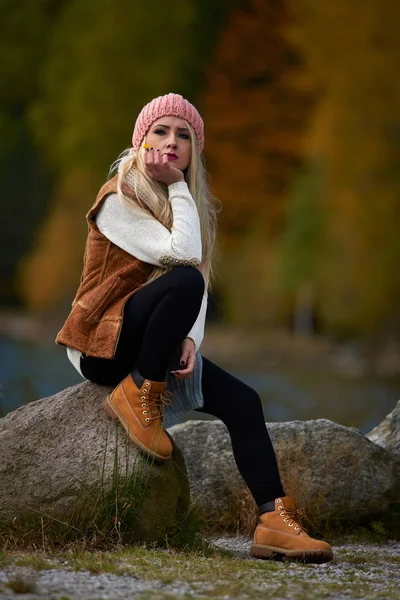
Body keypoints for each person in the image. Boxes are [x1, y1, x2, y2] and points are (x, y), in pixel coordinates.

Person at [56, 93, 333, 563]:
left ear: (194, 152)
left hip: (152, 339)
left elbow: (196, 284)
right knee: (181, 275)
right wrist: (180, 190)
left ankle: (273, 523)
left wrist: (190, 339)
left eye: (184, 136)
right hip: (103, 342)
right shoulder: (117, 198)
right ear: (141, 142)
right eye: (160, 132)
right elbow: (181, 261)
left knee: (245, 402)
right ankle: (137, 394)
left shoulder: (189, 207)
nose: (172, 142)